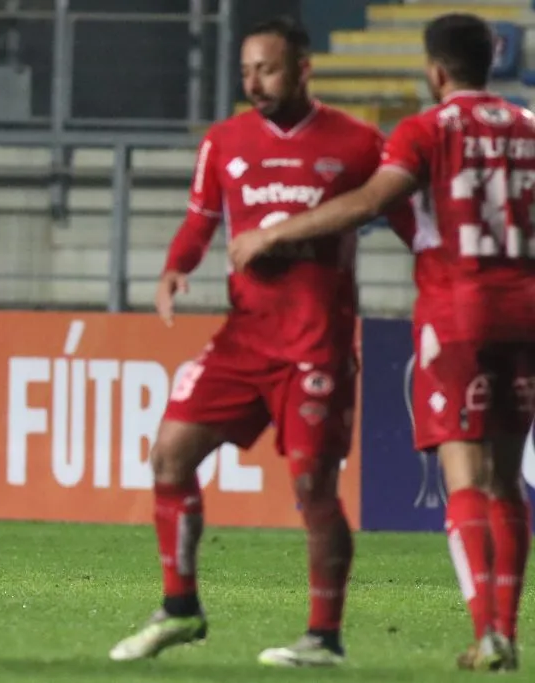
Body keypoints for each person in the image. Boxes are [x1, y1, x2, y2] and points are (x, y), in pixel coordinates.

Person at [229, 13, 534, 672]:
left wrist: (275, 233)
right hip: (527, 316)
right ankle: (506, 627)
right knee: (508, 480)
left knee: (466, 480)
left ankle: (488, 631)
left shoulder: (426, 130)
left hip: (459, 316)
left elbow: (372, 201)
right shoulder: (531, 128)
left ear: (435, 71)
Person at [109, 16, 412, 666]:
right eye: (246, 70)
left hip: (317, 344)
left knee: (313, 487)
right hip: (243, 339)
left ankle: (324, 636)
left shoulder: (358, 142)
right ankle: (180, 607)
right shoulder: (225, 140)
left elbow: (410, 219)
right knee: (170, 454)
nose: (254, 82)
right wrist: (175, 269)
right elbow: (200, 220)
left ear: (304, 68)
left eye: (267, 69)